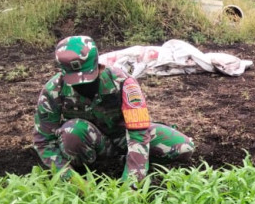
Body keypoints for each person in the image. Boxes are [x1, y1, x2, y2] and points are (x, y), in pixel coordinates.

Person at [34, 35, 195, 185]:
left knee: (184, 147)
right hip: (89, 143)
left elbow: (138, 134)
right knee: (72, 133)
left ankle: (129, 162)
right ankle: (94, 169)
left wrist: (130, 185)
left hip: (124, 138)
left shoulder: (123, 82)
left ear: (97, 63)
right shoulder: (53, 90)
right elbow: (44, 141)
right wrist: (71, 179)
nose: (81, 84)